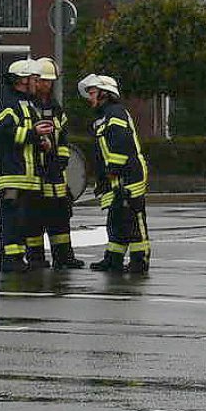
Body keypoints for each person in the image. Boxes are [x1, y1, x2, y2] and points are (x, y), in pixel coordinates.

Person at [79, 72, 150, 274]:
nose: (89, 97)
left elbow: (121, 144)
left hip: (128, 176)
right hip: (115, 177)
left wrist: (113, 171)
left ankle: (139, 261)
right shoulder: (104, 116)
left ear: (104, 93)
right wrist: (102, 178)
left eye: (92, 92)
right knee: (116, 220)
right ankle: (113, 259)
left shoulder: (115, 113)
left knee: (134, 219)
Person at [27, 57, 84, 269]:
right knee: (34, 217)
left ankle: (64, 257)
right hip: (35, 173)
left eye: (50, 81)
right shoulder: (29, 106)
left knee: (60, 215)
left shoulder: (55, 108)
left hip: (55, 173)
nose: (46, 85)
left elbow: (64, 137)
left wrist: (61, 159)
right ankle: (36, 258)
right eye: (43, 81)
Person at [0, 59, 42, 274]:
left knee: (23, 221)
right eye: (33, 79)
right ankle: (10, 259)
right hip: (12, 175)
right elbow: (4, 132)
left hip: (27, 176)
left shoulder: (28, 104)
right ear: (22, 80)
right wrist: (34, 135)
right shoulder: (7, 104)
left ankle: (17, 258)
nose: (36, 83)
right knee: (12, 220)